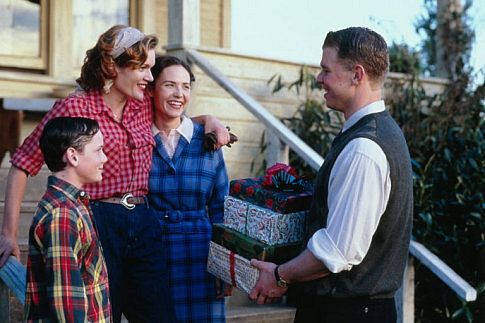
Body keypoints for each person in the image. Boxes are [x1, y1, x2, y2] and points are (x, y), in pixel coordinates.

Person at [0, 25, 229, 322]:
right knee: (106, 313)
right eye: (142, 68)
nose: (150, 76)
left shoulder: (142, 102)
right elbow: (21, 164)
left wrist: (210, 120)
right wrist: (7, 234)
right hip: (99, 220)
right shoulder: (76, 107)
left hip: (145, 221)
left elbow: (176, 116)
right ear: (112, 65)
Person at [249, 27, 413, 323]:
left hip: (346, 314)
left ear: (357, 75)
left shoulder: (364, 147)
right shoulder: (377, 134)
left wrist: (278, 275)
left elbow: (335, 252)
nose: (318, 78)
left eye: (326, 70)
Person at [148, 55, 231, 322]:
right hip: (152, 254)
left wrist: (224, 266)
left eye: (185, 86)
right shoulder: (137, 139)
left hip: (202, 256)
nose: (178, 94)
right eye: (169, 85)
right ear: (151, 89)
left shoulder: (208, 141)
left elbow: (222, 207)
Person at [24, 117, 111, 322]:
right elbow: (67, 303)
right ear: (72, 156)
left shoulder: (73, 205)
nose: (105, 158)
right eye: (98, 150)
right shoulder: (62, 214)